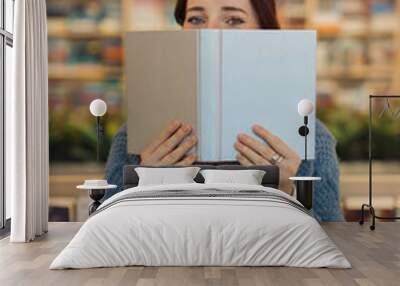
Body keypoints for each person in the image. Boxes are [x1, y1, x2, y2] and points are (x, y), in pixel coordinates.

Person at [105, 0, 344, 221]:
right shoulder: (134, 139)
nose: (209, 31)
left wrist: (288, 193)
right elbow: (104, 239)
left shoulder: (313, 141)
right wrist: (140, 188)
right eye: (196, 19)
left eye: (234, 20)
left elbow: (336, 243)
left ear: (266, 33)